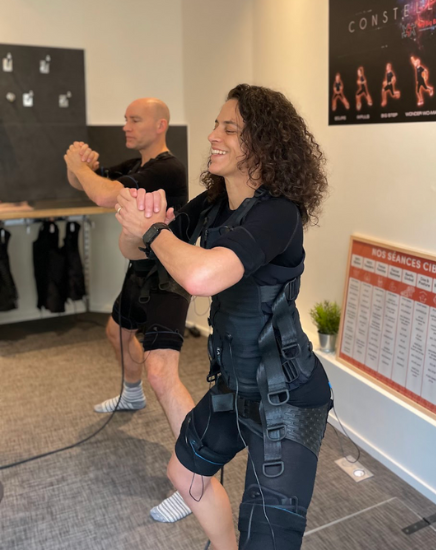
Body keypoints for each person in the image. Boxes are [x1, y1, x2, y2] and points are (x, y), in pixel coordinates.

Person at [116, 84, 331, 549]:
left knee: (268, 537)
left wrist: (152, 231)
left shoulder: (278, 214)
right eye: (216, 124)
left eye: (229, 128)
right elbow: (136, 250)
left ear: (264, 143)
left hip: (288, 396)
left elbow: (202, 276)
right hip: (235, 387)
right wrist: (138, 225)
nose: (213, 135)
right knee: (184, 472)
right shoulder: (212, 205)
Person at [64, 98, 194, 522]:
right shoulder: (139, 164)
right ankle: (132, 395)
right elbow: (84, 182)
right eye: (124, 119)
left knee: (162, 373)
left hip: (169, 274)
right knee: (116, 332)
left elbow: (103, 193)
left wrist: (78, 165)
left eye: (134, 119)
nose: (125, 126)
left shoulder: (168, 168)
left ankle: (196, 481)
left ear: (160, 125)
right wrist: (77, 164)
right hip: (140, 268)